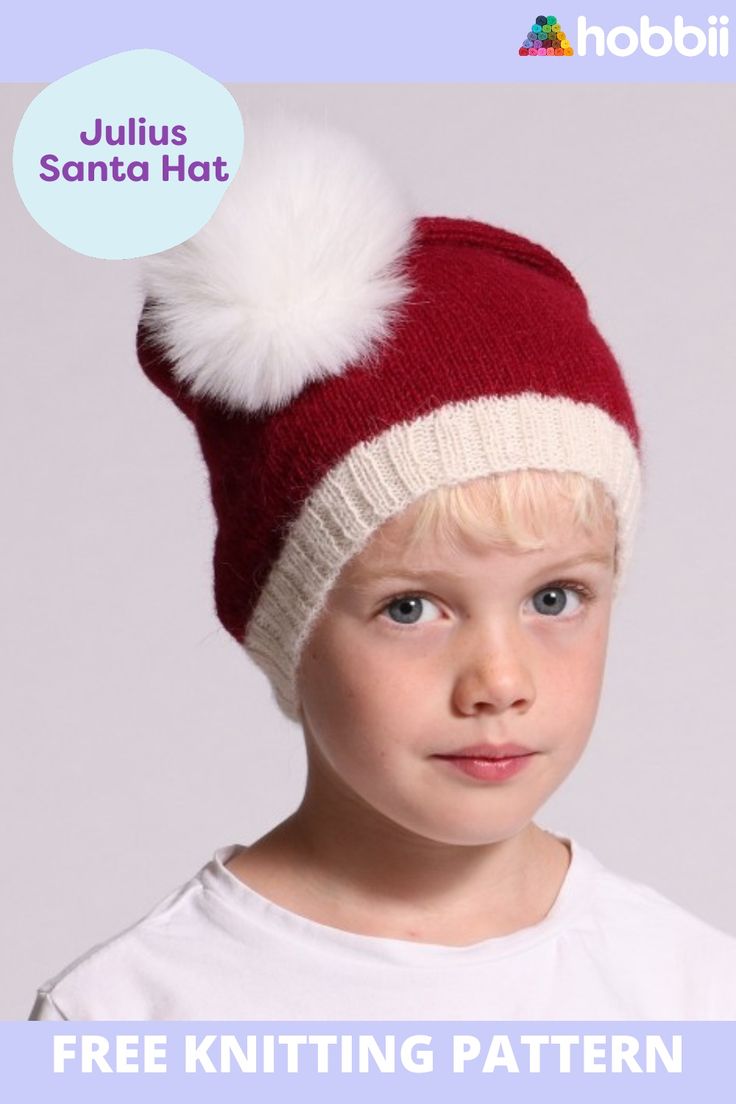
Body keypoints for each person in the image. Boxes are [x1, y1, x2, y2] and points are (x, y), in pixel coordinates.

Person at [29, 114, 736, 1020]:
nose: (500, 682)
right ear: (286, 629)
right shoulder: (135, 1014)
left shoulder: (692, 995)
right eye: (412, 608)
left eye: (555, 597)